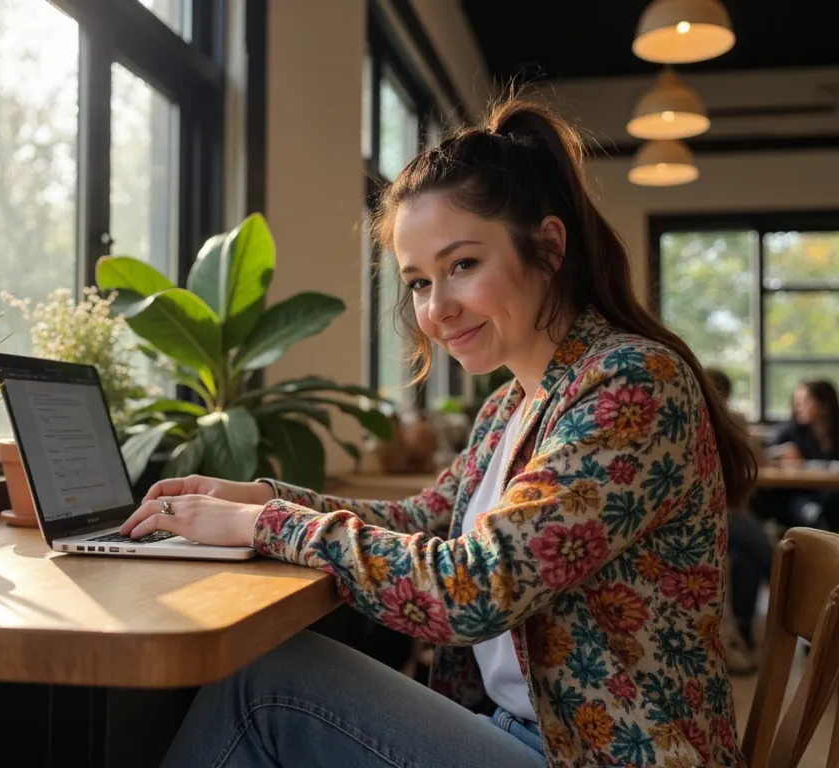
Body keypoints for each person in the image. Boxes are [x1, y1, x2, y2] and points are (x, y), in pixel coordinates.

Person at [124, 94, 757, 767]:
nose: (437, 309)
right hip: (519, 733)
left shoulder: (631, 383)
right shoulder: (510, 406)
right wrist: (262, 497)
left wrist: (268, 526)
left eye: (462, 266)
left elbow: (473, 586)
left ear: (546, 248)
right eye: (419, 282)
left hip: (597, 756)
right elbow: (424, 521)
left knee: (263, 687)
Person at [704, 368, 773, 669]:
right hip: (712, 511)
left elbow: (751, 465)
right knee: (754, 542)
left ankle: (743, 634)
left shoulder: (730, 421)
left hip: (725, 508)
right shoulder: (687, 418)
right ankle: (799, 595)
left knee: (744, 556)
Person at [756, 380, 839, 532]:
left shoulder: (834, 432)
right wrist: (779, 452)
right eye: (797, 401)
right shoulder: (789, 432)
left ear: (824, 404)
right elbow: (762, 456)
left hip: (830, 493)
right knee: (812, 512)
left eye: (805, 401)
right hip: (796, 496)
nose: (798, 407)